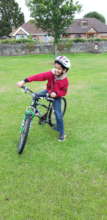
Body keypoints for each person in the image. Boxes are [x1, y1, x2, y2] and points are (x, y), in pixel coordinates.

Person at [17, 56, 71, 141]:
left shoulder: (64, 80)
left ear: (64, 70)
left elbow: (64, 92)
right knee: (35, 96)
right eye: (55, 67)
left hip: (56, 96)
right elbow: (39, 76)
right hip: (48, 91)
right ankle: (38, 113)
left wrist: (56, 94)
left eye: (59, 69)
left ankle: (62, 134)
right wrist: (24, 81)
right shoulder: (51, 74)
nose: (56, 70)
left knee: (58, 115)